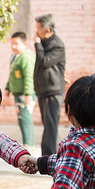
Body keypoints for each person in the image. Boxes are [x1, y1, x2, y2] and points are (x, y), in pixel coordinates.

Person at [33, 13, 66, 155]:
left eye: (38, 28)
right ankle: (50, 154)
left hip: (53, 91)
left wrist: (37, 45)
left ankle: (48, 156)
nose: (36, 32)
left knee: (51, 125)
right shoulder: (45, 43)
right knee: (47, 124)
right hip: (43, 90)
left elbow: (45, 62)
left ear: (47, 30)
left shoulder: (57, 45)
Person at [5, 31, 36, 147]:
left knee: (25, 118)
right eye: (12, 44)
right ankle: (27, 143)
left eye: (16, 44)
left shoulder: (26, 57)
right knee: (21, 118)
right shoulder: (14, 57)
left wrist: (28, 94)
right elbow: (12, 74)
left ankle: (29, 145)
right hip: (18, 93)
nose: (13, 47)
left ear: (25, 44)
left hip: (25, 94)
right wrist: (8, 87)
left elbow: (29, 76)